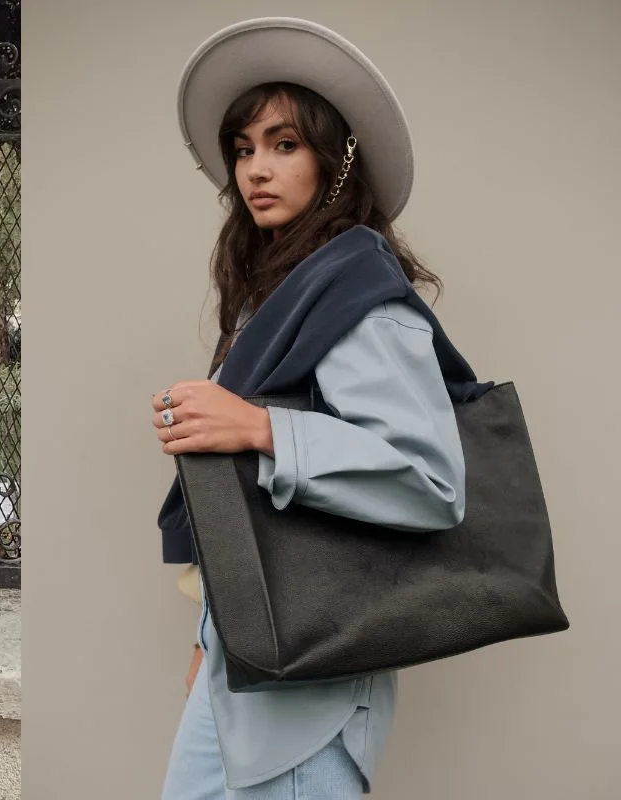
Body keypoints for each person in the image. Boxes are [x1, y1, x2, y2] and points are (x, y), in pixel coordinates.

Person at [153, 18, 468, 799]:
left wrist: (257, 426)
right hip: (248, 672)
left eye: (284, 144)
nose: (257, 168)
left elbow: (432, 480)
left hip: (308, 697)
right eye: (244, 147)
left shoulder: (360, 297)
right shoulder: (284, 301)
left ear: (338, 156)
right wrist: (211, 644)